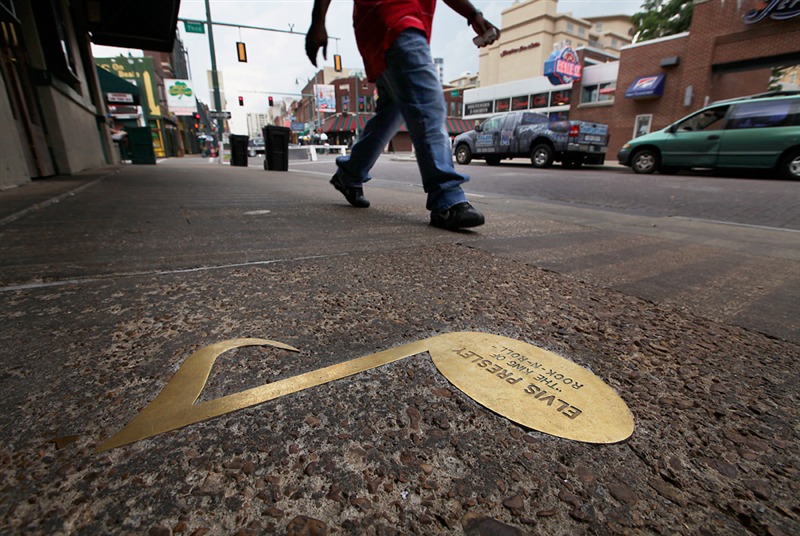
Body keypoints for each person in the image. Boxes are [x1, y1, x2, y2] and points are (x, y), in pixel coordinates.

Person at [305, 0, 499, 230]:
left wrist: (472, 14)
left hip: (384, 26)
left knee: (392, 111)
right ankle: (445, 197)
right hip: (393, 17)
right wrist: (318, 21)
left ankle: (350, 173)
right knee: (427, 103)